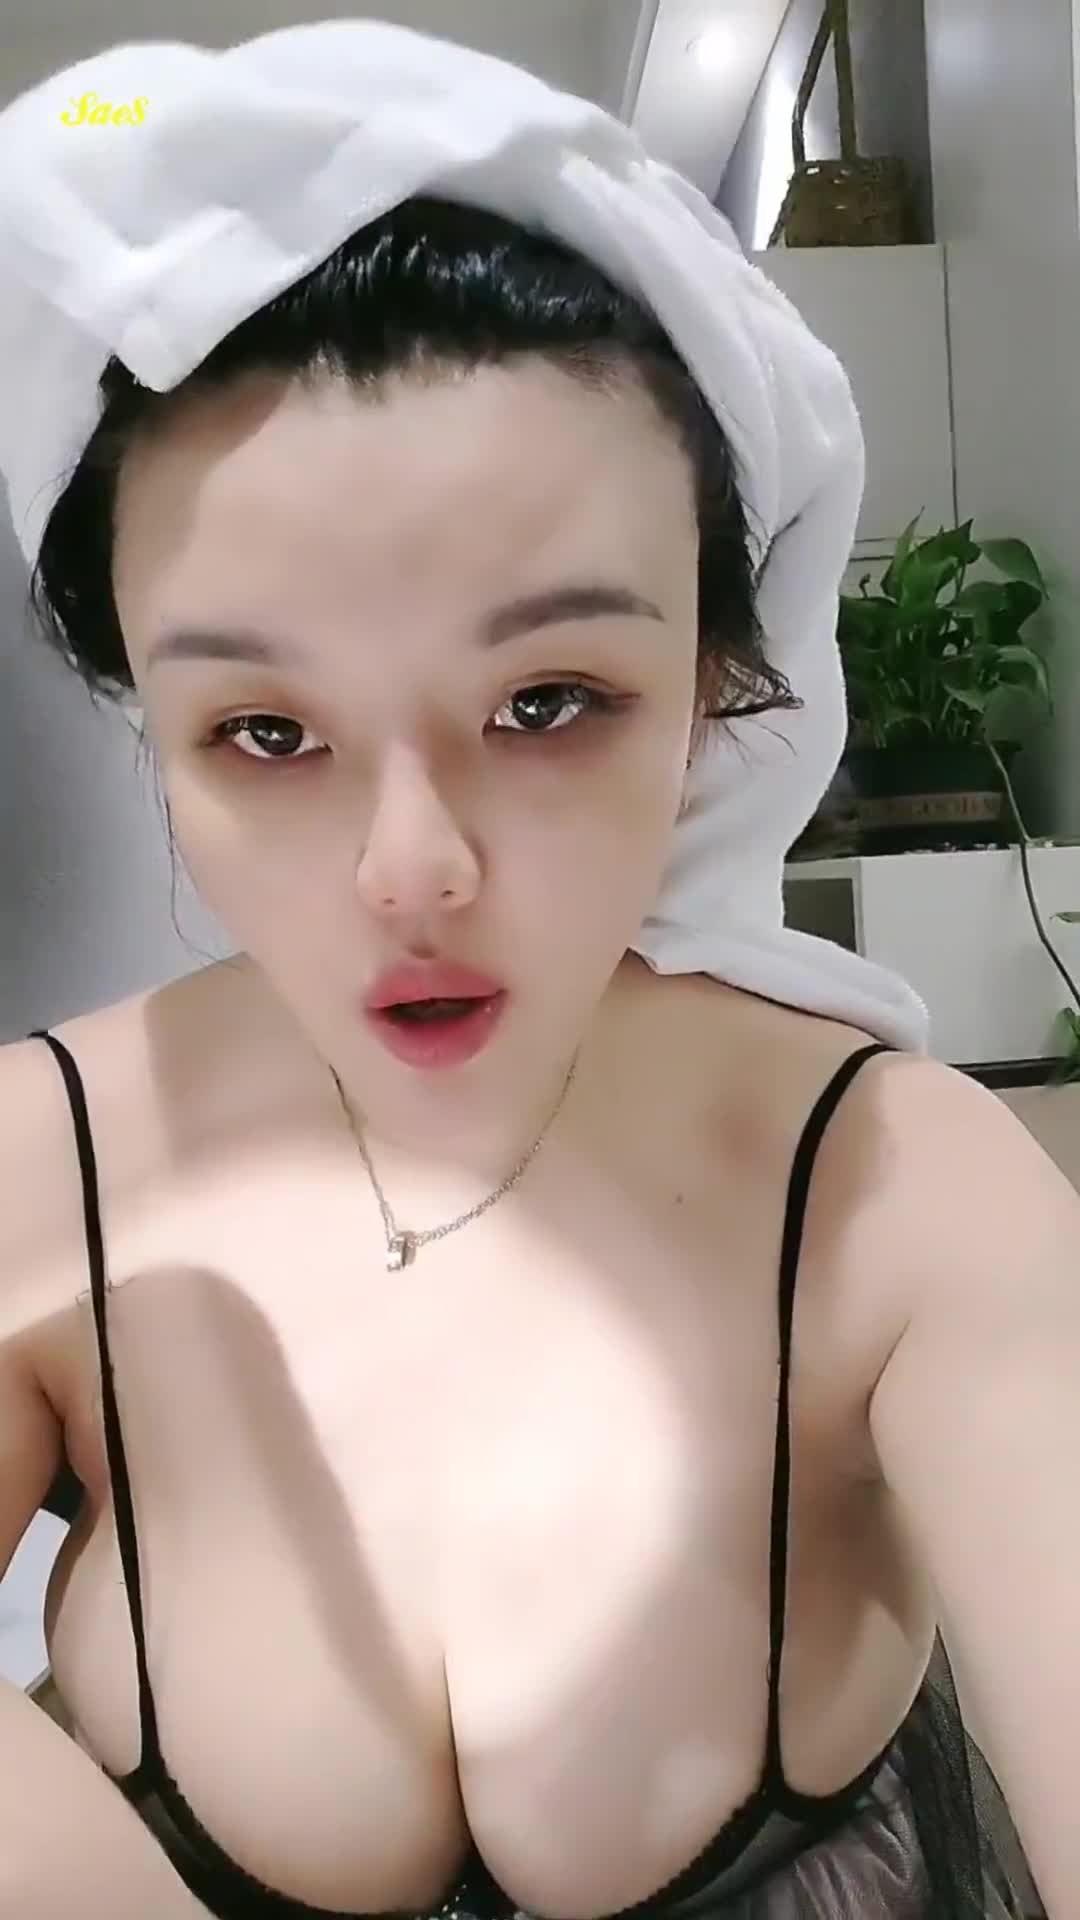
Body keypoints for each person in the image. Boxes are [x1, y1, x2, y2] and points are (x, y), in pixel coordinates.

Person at [0, 23, 1076, 1920]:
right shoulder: (46, 1165)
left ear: (718, 693)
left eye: (549, 701)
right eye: (267, 734)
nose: (412, 868)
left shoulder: (895, 1192)